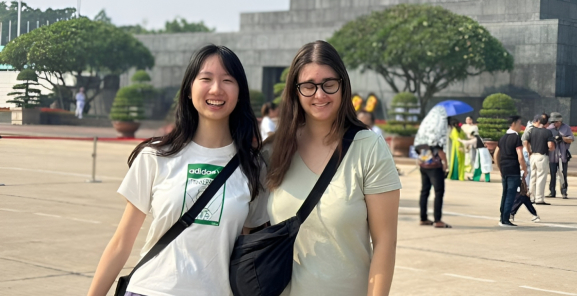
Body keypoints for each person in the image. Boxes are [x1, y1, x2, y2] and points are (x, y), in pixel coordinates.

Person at [87, 45, 270, 296]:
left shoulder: (253, 168)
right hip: (149, 289)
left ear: (240, 93)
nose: (216, 89)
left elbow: (246, 253)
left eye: (228, 80)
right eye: (206, 79)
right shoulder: (155, 156)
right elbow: (121, 244)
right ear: (188, 91)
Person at [265, 41, 401, 296]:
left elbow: (385, 242)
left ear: (343, 85)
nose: (320, 95)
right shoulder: (274, 151)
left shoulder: (368, 148)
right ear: (295, 90)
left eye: (329, 84)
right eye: (309, 86)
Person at [414, 105, 452, 228]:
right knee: (438, 191)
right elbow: (439, 149)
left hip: (423, 164)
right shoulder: (438, 128)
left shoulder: (425, 128)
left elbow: (417, 148)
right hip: (435, 166)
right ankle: (438, 220)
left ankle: (423, 218)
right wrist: (445, 163)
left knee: (424, 191)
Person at [494, 116, 527, 227]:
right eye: (519, 123)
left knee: (505, 194)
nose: (520, 126)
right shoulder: (516, 138)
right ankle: (505, 219)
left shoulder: (503, 138)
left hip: (504, 169)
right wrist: (525, 169)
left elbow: (496, 154)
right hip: (513, 169)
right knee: (510, 195)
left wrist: (500, 167)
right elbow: (520, 156)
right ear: (514, 123)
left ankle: (502, 218)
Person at [523, 114, 555, 205]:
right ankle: (539, 198)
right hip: (542, 156)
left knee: (533, 176)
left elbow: (525, 141)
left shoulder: (532, 130)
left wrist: (529, 151)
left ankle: (531, 197)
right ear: (546, 123)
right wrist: (552, 148)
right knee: (541, 177)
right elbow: (550, 146)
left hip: (533, 155)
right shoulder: (548, 132)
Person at [546, 112, 574, 199]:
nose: (554, 123)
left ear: (560, 121)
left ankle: (564, 191)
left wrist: (562, 138)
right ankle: (552, 191)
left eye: (556, 122)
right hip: (552, 155)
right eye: (553, 122)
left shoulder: (566, 128)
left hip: (563, 155)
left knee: (563, 174)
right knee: (552, 174)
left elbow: (571, 139)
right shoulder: (549, 128)